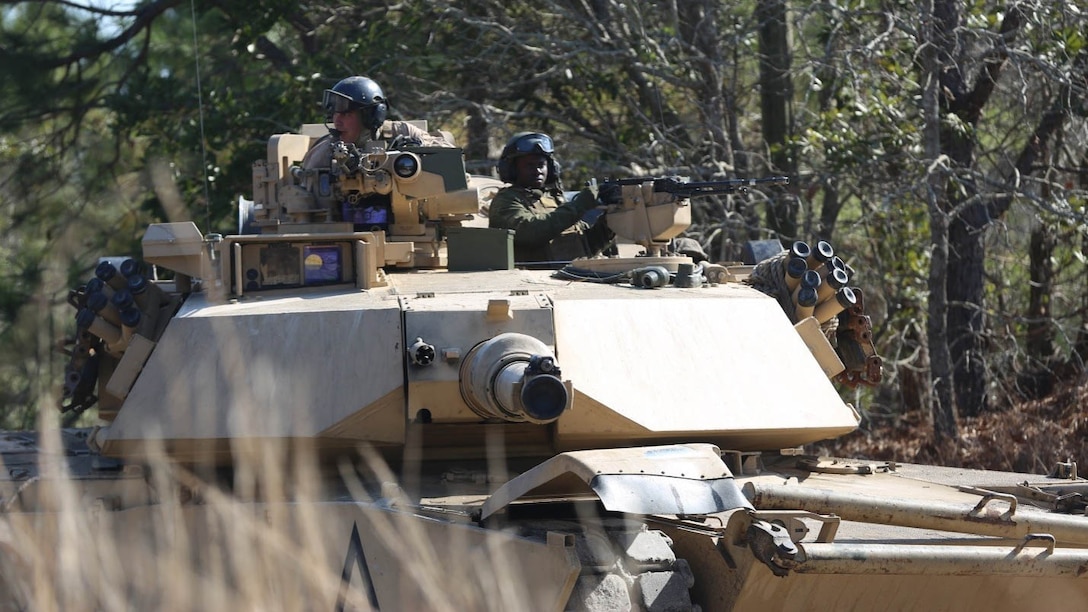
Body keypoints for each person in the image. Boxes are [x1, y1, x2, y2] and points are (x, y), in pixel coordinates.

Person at [300, 76, 453, 223]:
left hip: (409, 223)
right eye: (335, 114)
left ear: (370, 116)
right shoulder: (326, 150)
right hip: (343, 227)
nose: (337, 121)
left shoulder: (400, 132)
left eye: (346, 114)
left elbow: (450, 157)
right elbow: (304, 188)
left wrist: (414, 150)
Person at [488, 132, 617, 264]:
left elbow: (587, 244)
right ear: (512, 169)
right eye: (529, 165)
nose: (537, 171)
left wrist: (611, 219)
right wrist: (580, 205)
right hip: (534, 276)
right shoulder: (506, 201)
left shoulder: (554, 199)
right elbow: (532, 232)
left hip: (575, 272)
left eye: (541, 165)